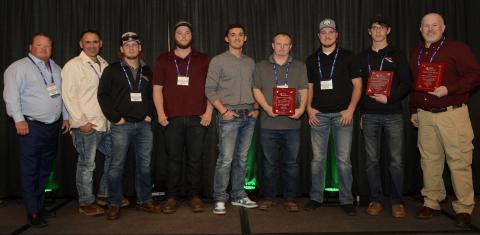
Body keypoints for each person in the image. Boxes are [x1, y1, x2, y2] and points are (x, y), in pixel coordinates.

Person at [409, 12, 480, 227]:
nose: (430, 29)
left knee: (459, 161)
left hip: (452, 114)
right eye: (426, 26)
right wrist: (414, 110)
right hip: (425, 116)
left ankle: (464, 207)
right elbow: (416, 84)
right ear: (420, 29)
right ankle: (432, 201)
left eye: (435, 25)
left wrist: (449, 89)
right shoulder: (417, 53)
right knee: (429, 161)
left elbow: (475, 75)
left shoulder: (457, 48)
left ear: (443, 27)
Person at [3, 33, 69, 227]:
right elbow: (11, 96)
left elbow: (62, 96)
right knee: (31, 170)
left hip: (52, 127)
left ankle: (39, 205)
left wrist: (65, 117)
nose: (44, 49)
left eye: (48, 46)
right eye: (39, 45)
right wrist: (18, 119)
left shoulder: (56, 68)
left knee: (45, 170)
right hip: (30, 127)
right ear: (30, 47)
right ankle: (32, 211)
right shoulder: (18, 67)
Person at [62, 29, 129, 216]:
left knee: (113, 157)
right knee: (87, 164)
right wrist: (80, 121)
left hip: (105, 124)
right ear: (81, 44)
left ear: (101, 44)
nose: (92, 45)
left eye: (95, 42)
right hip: (87, 126)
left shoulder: (104, 64)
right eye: (87, 42)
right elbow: (68, 96)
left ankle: (104, 194)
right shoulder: (73, 66)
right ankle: (86, 202)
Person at [352, 15, 411, 218]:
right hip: (369, 115)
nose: (377, 31)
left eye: (381, 28)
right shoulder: (362, 56)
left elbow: (406, 83)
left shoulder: (397, 54)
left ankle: (397, 201)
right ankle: (376, 199)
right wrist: (361, 113)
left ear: (388, 31)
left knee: (395, 161)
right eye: (374, 28)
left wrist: (390, 99)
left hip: (393, 113)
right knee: (371, 161)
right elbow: (358, 88)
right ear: (369, 32)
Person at [98, 32, 161, 220]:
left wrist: (151, 114)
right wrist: (115, 118)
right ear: (121, 49)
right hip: (121, 126)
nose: (131, 48)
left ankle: (144, 200)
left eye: (135, 45)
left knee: (144, 165)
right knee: (116, 166)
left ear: (140, 48)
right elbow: (103, 96)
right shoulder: (112, 70)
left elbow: (154, 95)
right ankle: (114, 203)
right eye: (127, 45)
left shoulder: (148, 70)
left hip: (144, 126)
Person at [153, 21, 212, 214]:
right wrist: (161, 114)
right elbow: (157, 90)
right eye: (180, 33)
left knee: (196, 159)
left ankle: (195, 196)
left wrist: (209, 111)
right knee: (173, 160)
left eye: (187, 33)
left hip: (198, 118)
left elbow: (212, 88)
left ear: (192, 36)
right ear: (174, 36)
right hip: (172, 119)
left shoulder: (203, 59)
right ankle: (172, 197)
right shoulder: (163, 59)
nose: (184, 36)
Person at [304, 19, 361, 216]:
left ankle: (346, 199)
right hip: (318, 116)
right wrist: (309, 109)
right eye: (323, 33)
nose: (327, 36)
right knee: (317, 160)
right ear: (318, 36)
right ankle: (315, 197)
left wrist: (351, 110)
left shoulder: (349, 56)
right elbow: (310, 87)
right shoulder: (312, 59)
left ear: (337, 35)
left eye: (331, 32)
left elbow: (358, 85)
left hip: (342, 116)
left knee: (343, 160)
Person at [205, 24, 259, 215]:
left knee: (242, 159)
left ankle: (238, 195)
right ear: (227, 39)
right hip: (229, 116)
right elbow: (209, 89)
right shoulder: (218, 61)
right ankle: (220, 198)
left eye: (240, 35)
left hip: (248, 116)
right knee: (225, 159)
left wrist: (256, 108)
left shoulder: (250, 62)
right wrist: (223, 111)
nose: (237, 38)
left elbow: (255, 88)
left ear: (245, 38)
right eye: (232, 35)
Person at [253, 32, 308, 212]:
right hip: (269, 124)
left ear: (291, 47)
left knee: (291, 163)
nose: (282, 47)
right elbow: (256, 90)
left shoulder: (299, 66)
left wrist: (301, 110)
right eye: (279, 44)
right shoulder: (261, 66)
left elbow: (303, 91)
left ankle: (291, 198)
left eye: (286, 44)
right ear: (273, 45)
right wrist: (267, 108)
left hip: (292, 125)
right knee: (269, 164)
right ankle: (268, 197)